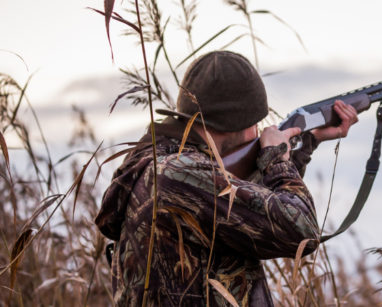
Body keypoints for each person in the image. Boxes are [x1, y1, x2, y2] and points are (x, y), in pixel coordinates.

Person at [95, 51, 358, 306]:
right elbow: (301, 230)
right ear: (239, 124)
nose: (258, 130)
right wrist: (276, 157)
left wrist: (307, 141)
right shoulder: (180, 174)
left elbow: (257, 207)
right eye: (255, 123)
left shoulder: (166, 165)